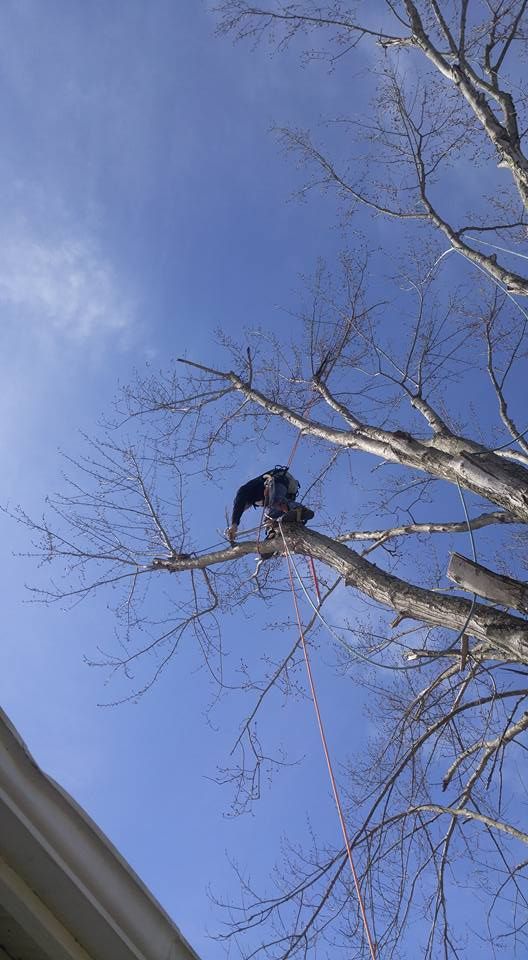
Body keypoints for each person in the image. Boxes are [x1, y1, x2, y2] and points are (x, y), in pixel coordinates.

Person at [226, 465, 314, 545]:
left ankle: (299, 509)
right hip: (287, 494)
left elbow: (238, 506)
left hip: (280, 480)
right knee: (269, 518)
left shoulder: (244, 492)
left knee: (275, 501)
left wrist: (234, 525)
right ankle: (274, 533)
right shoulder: (255, 500)